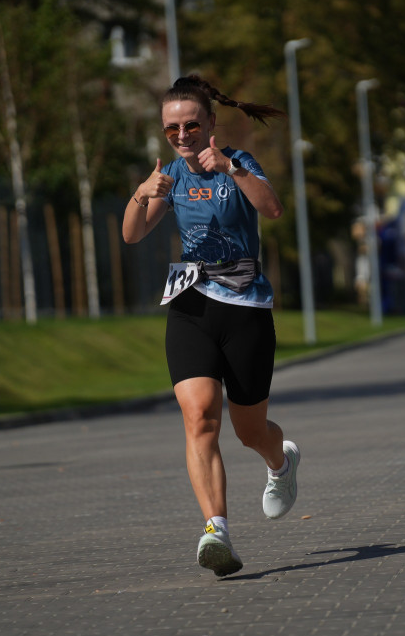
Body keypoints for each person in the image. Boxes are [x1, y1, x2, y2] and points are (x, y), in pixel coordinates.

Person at [121, 74, 299, 577]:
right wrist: (141, 193)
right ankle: (215, 530)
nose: (181, 135)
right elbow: (132, 235)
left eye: (190, 124)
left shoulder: (238, 163)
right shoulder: (171, 176)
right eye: (171, 128)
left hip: (245, 308)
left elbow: (273, 208)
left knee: (249, 430)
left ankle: (279, 461)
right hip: (191, 305)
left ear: (211, 123)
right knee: (199, 416)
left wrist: (230, 168)